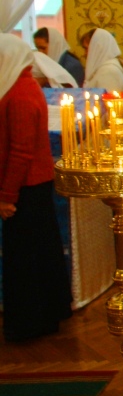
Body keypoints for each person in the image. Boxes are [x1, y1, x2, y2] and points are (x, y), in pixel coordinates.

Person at [0, 34, 72, 342]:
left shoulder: (20, 93)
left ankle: (31, 322)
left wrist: (7, 196)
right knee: (41, 252)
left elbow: (21, 152)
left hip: (27, 186)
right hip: (32, 185)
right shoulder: (20, 86)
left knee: (26, 258)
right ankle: (49, 312)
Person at [82, 27, 123, 92]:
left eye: (87, 49)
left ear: (98, 48)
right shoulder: (104, 69)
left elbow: (108, 97)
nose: (85, 54)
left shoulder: (108, 72)